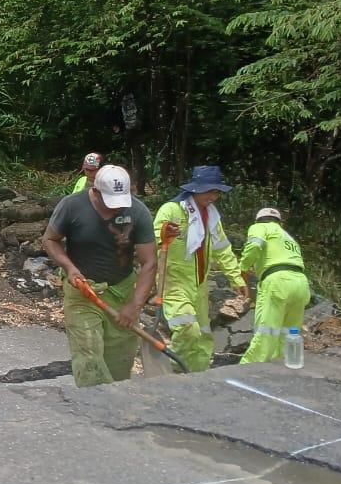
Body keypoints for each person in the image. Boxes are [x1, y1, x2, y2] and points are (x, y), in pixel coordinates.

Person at [43, 164, 158, 387]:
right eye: (109, 202)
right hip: (83, 290)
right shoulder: (72, 206)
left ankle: (115, 406)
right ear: (95, 191)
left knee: (119, 360)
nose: (116, 209)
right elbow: (50, 240)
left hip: (122, 290)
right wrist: (69, 268)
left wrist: (135, 304)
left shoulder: (137, 211)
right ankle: (95, 408)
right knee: (89, 354)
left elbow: (149, 262)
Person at [153, 165, 248, 373]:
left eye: (216, 192)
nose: (213, 196)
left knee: (203, 335)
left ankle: (198, 377)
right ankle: (173, 369)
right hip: (174, 281)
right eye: (209, 191)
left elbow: (222, 248)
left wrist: (236, 278)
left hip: (199, 283)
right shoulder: (172, 210)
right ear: (195, 189)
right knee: (187, 328)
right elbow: (151, 241)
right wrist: (164, 234)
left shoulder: (211, 216)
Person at [239, 207, 312, 364]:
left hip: (278, 281)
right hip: (301, 282)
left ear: (258, 219)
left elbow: (254, 246)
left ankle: (245, 370)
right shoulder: (288, 237)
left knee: (266, 332)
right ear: (279, 222)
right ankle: (280, 369)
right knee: (288, 332)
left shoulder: (259, 227)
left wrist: (243, 268)